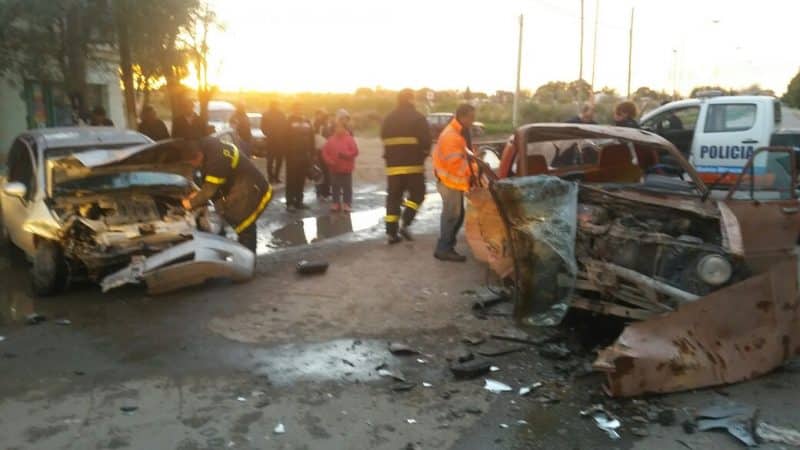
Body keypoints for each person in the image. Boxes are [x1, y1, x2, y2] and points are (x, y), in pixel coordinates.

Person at [180, 137, 272, 253]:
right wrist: (198, 195)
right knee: (228, 218)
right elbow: (208, 182)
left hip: (250, 190)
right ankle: (228, 253)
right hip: (238, 186)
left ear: (199, 155)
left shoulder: (217, 160)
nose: (193, 166)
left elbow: (209, 190)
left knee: (245, 226)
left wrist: (190, 203)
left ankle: (246, 262)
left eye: (193, 163)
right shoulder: (206, 147)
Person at [381, 89, 432, 244]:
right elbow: (426, 143)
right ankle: (406, 221)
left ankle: (391, 233)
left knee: (393, 198)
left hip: (393, 167)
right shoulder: (418, 118)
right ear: (411, 99)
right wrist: (421, 156)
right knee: (418, 194)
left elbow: (383, 138)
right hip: (413, 166)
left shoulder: (388, 118)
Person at [432, 104, 478, 262]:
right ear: (463, 116)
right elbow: (456, 165)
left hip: (451, 182)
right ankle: (444, 249)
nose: (473, 121)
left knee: (456, 215)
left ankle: (446, 247)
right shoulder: (452, 136)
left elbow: (463, 157)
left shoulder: (457, 133)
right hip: (449, 183)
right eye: (471, 117)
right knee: (452, 216)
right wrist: (475, 171)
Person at [322, 113, 359, 212]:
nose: (338, 130)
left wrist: (346, 154)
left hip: (346, 168)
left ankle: (347, 204)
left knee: (347, 187)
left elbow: (355, 151)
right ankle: (335, 203)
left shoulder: (349, 139)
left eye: (341, 128)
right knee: (335, 187)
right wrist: (329, 161)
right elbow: (325, 152)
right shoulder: (330, 140)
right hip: (334, 168)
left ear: (345, 129)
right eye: (336, 128)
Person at [285, 103, 315, 211]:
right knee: (291, 180)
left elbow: (311, 138)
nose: (299, 110)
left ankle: (299, 201)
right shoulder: (288, 121)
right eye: (297, 109)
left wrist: (312, 154)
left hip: (305, 156)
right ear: (293, 109)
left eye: (300, 108)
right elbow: (284, 138)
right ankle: (290, 203)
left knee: (301, 180)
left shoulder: (307, 121)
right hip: (292, 156)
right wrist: (287, 154)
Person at [260, 101, 288, 183]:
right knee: (270, 160)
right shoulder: (266, 114)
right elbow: (262, 127)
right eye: (274, 105)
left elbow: (285, 126)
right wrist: (268, 133)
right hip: (271, 140)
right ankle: (271, 177)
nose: (276, 106)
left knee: (279, 160)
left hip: (280, 141)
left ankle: (276, 177)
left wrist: (283, 135)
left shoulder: (281, 114)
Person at [313, 109, 333, 200]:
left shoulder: (326, 125)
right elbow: (318, 138)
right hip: (320, 151)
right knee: (320, 172)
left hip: (324, 150)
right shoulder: (319, 125)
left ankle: (325, 192)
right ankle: (321, 192)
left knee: (325, 172)